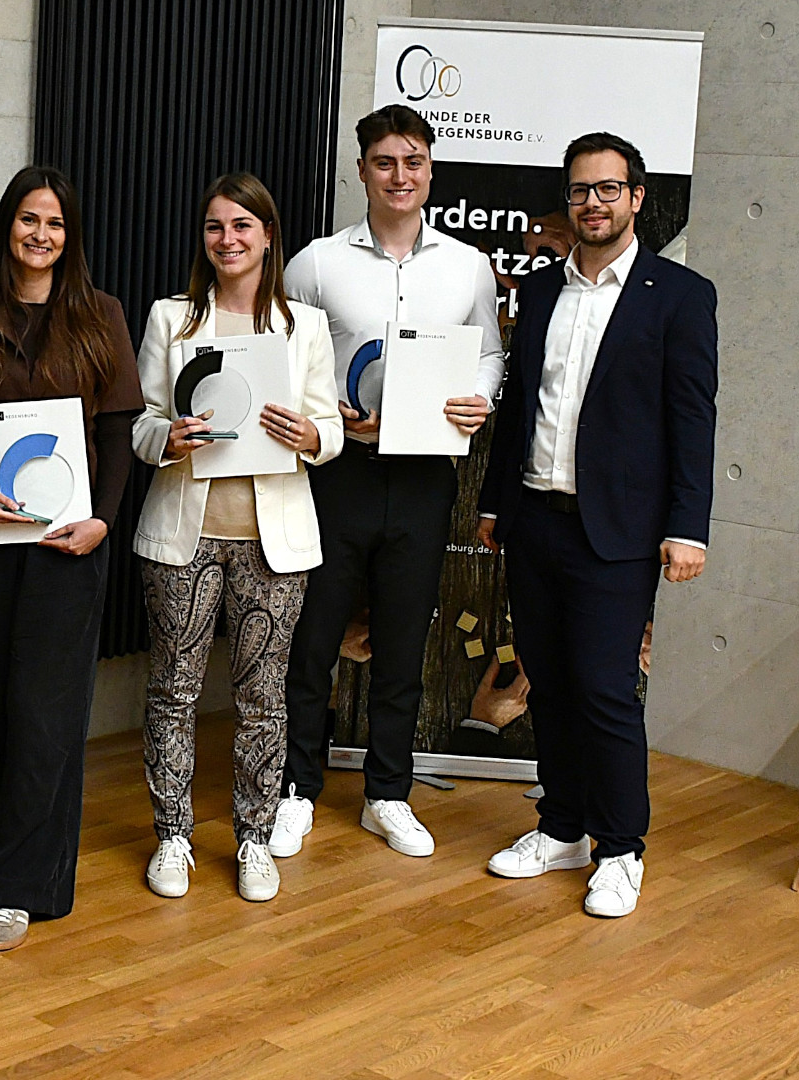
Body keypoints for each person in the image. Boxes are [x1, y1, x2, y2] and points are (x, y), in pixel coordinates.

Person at [478, 132, 716, 918]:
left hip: (617, 533)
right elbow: (519, 409)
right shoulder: (543, 290)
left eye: (608, 189)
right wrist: (491, 502)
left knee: (607, 691)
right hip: (535, 519)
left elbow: (692, 421)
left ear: (637, 198)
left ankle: (621, 850)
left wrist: (689, 526)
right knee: (549, 682)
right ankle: (562, 828)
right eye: (580, 190)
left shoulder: (679, 296)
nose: (593, 203)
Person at [272, 105, 505, 861]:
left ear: (430, 168)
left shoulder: (466, 265)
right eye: (384, 162)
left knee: (404, 642)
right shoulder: (314, 262)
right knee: (314, 640)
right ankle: (297, 790)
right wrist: (323, 412)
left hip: (424, 478)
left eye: (413, 161)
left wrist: (482, 397)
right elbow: (288, 357)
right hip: (337, 474)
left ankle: (388, 795)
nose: (399, 176)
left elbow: (490, 356)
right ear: (363, 170)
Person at [0, 166, 143, 952]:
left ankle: (22, 888)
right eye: (28, 220)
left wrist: (103, 523)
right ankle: (2, 865)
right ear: (7, 227)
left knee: (45, 718)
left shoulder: (100, 316)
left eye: (54, 223)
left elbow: (119, 430)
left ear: (69, 235)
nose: (40, 235)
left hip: (66, 546)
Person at [131, 172, 342, 904]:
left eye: (242, 226)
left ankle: (254, 838)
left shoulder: (303, 325)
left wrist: (314, 434)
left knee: (263, 698)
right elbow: (141, 422)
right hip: (184, 537)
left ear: (267, 236)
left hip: (272, 541)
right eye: (216, 226)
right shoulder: (171, 318)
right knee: (172, 692)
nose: (228, 239)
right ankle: (173, 838)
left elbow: (333, 429)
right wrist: (169, 437)